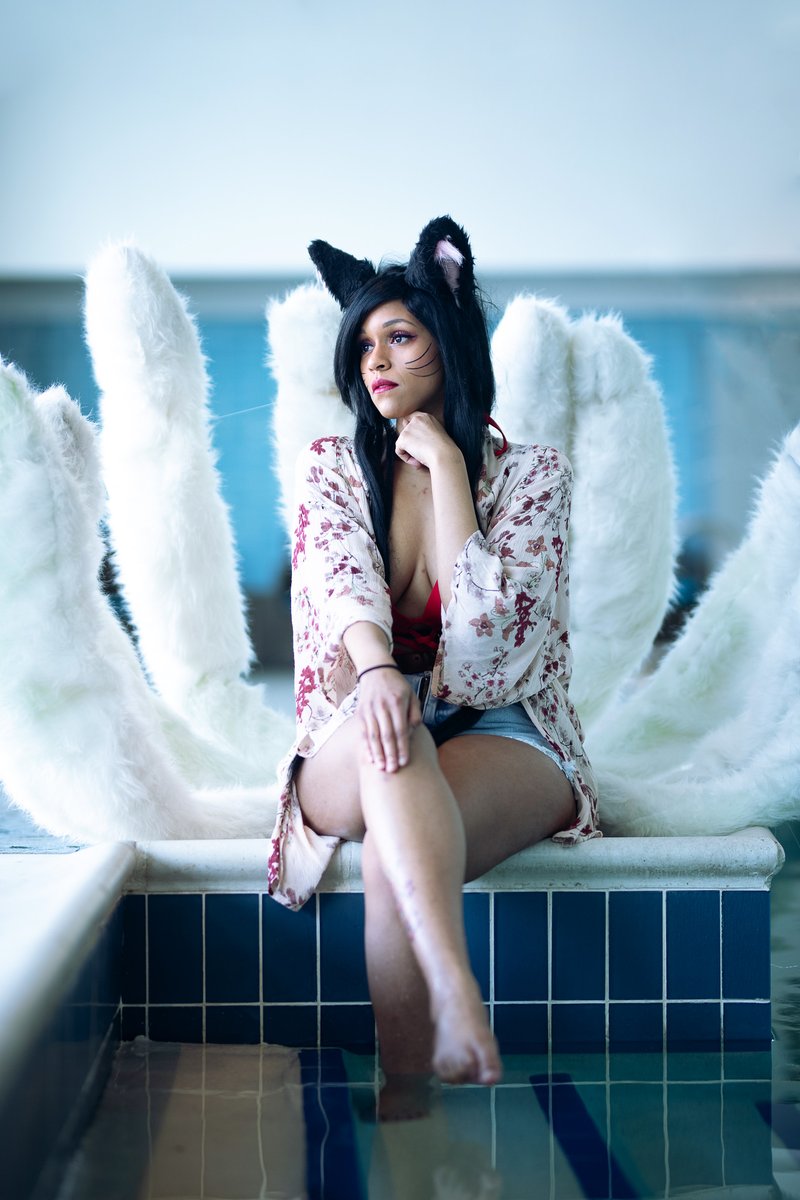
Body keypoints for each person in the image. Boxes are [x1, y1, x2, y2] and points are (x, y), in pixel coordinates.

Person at [267, 216, 599, 1098]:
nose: (375, 362)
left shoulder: (532, 477)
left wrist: (450, 469)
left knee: (394, 845)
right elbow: (341, 582)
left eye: (400, 338)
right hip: (362, 721)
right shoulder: (334, 468)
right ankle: (456, 994)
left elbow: (488, 657)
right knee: (395, 739)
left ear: (448, 343)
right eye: (363, 344)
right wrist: (380, 673)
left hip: (502, 725)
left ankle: (408, 1097)